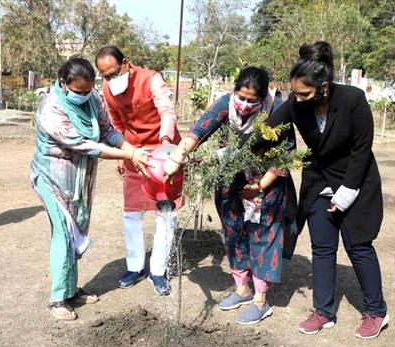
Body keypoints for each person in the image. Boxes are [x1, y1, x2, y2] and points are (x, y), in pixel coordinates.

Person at [269, 42, 388, 339]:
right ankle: (323, 311)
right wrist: (233, 155)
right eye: (295, 93)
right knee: (322, 249)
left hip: (355, 181)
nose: (298, 99)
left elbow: (362, 149)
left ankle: (376, 311)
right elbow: (267, 131)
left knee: (359, 247)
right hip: (319, 182)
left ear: (323, 86)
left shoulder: (353, 99)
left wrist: (348, 191)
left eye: (305, 93)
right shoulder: (298, 104)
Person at [164, 66, 297, 325]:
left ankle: (261, 299)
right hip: (230, 180)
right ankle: (242, 289)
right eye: (241, 97)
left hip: (265, 185)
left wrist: (261, 186)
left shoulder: (277, 111)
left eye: (252, 100)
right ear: (234, 91)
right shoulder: (227, 105)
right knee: (234, 232)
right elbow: (199, 131)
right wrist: (177, 157)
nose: (245, 104)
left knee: (262, 237)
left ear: (263, 97)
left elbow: (286, 153)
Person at [30, 57, 150, 320]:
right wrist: (128, 157)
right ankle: (57, 298)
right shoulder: (51, 109)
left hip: (80, 179)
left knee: (76, 231)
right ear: (63, 83)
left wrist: (133, 150)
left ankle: (71, 290)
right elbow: (87, 145)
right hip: (52, 177)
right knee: (63, 232)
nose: (84, 96)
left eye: (88, 90)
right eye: (78, 92)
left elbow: (108, 131)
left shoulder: (93, 97)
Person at [95, 46, 181, 295]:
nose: (111, 79)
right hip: (134, 152)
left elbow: (167, 112)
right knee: (132, 213)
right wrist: (123, 154)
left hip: (163, 151)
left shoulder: (151, 78)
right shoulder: (107, 89)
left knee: (165, 212)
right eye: (105, 76)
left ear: (126, 63)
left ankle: (158, 270)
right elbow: (116, 122)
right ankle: (135, 266)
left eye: (114, 72)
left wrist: (166, 144)